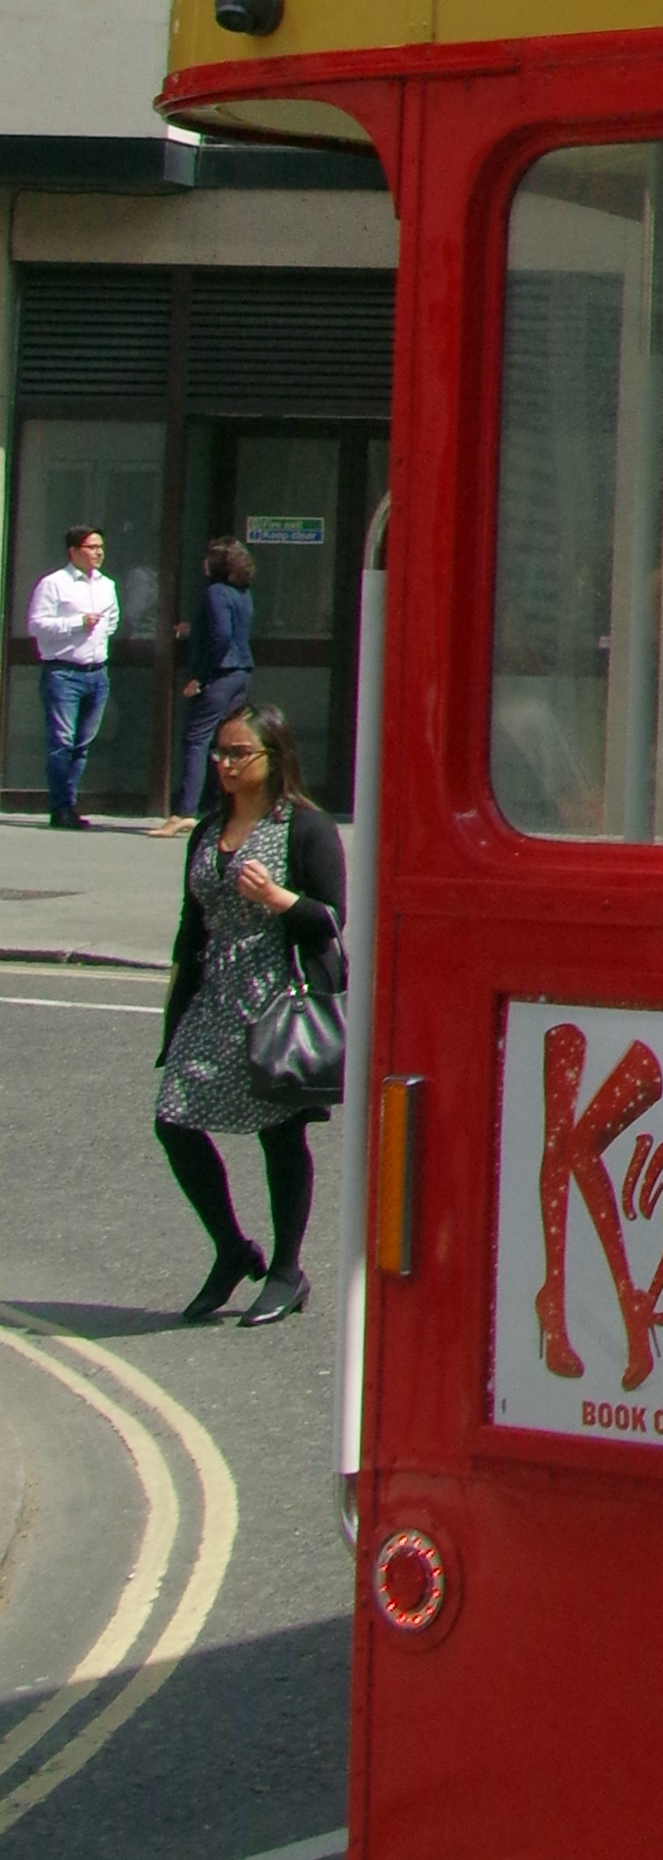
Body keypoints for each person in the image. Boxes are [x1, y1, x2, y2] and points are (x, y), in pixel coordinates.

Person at [152, 698, 345, 1325]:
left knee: (280, 1133)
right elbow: (192, 921)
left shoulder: (304, 828)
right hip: (214, 994)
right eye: (221, 753)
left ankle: (288, 1271)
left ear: (273, 757)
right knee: (174, 1119)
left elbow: (331, 919)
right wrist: (176, 1002)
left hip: (277, 997)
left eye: (240, 753)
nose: (225, 764)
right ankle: (233, 1249)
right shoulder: (209, 831)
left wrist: (277, 897)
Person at [24, 519, 116, 824]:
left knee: (82, 743)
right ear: (73, 551)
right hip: (63, 673)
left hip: (97, 674)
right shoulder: (54, 584)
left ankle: (71, 804)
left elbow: (111, 621)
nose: (98, 553)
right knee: (62, 742)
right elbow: (36, 624)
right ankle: (59, 807)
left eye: (101, 547)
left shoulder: (106, 585)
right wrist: (77, 624)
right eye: (91, 547)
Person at [174, 529, 255, 814]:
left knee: (198, 739)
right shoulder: (242, 592)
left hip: (220, 672)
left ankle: (185, 810)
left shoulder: (214, 592)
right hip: (241, 670)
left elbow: (221, 636)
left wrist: (200, 676)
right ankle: (227, 804)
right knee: (229, 739)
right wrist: (194, 630)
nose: (203, 563)